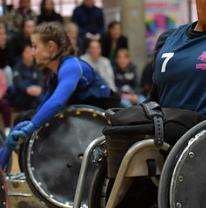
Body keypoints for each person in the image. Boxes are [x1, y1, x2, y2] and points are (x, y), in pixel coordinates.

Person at [0, 23, 118, 169]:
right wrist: (24, 127)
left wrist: (32, 126)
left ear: (51, 47)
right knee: (22, 119)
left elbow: (57, 102)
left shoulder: (71, 66)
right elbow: (44, 107)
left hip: (106, 115)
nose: (32, 52)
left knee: (30, 122)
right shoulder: (54, 76)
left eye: (35, 46)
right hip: (81, 120)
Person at [10, 44, 43, 111]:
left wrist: (39, 87)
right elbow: (18, 82)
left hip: (36, 93)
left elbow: (40, 79)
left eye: (31, 51)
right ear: (22, 54)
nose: (30, 54)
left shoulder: (37, 66)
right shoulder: (17, 67)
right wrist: (27, 89)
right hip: (22, 94)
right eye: (27, 52)